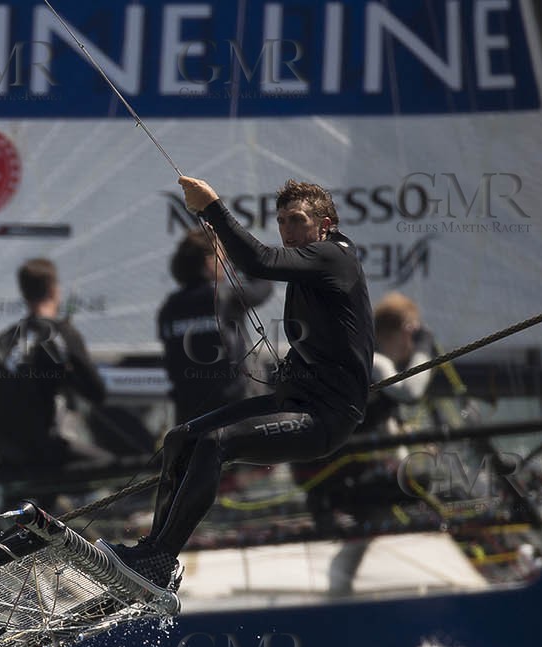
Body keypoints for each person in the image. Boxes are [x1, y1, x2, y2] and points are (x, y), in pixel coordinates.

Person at [104, 176, 375, 591]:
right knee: (181, 438)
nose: (287, 230)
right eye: (282, 221)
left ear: (326, 223)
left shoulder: (333, 257)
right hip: (296, 401)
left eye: (297, 220)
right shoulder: (310, 266)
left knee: (216, 443)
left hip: (326, 418)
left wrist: (213, 207)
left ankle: (161, 559)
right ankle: (151, 551)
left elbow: (259, 263)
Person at [292, 291, 434, 592]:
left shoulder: (358, 356)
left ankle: (341, 587)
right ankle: (341, 583)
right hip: (333, 477)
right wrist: (425, 346)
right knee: (420, 480)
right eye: (412, 334)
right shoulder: (374, 360)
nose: (412, 344)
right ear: (405, 330)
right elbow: (413, 392)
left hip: (331, 474)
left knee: (379, 517)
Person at [0, 257, 110, 479]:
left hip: (6, 451)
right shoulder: (62, 334)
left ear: (24, 292)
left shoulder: (2, 340)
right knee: (111, 464)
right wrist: (68, 373)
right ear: (53, 289)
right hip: (45, 453)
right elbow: (97, 393)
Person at [158, 230, 274, 425]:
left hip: (189, 410)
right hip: (235, 408)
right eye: (223, 259)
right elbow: (262, 288)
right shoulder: (223, 296)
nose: (226, 265)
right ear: (207, 262)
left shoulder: (169, 307)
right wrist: (246, 259)